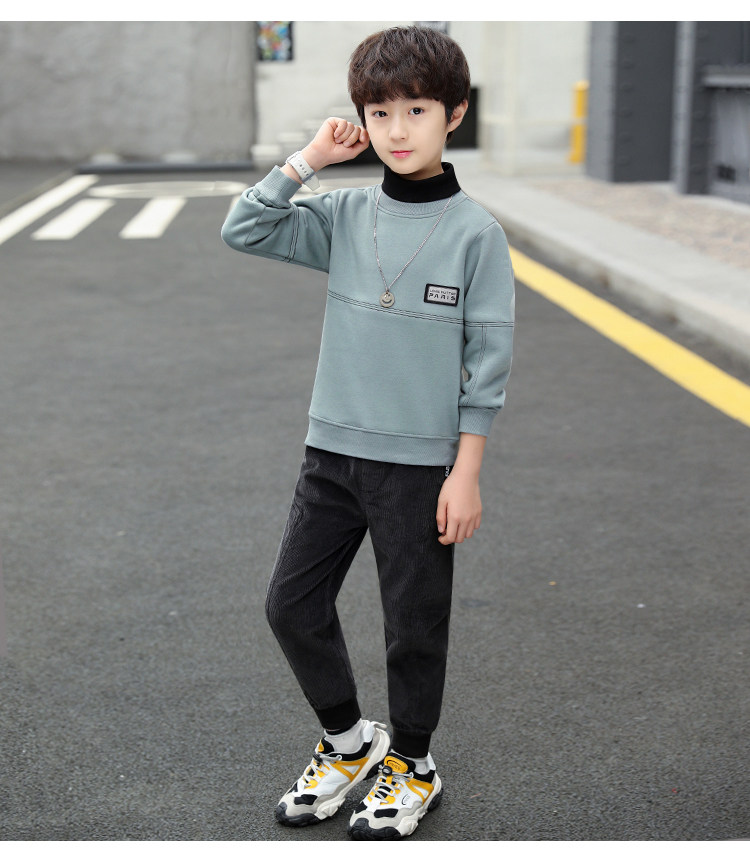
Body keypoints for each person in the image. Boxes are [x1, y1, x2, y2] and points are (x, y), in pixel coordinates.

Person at [221, 25, 514, 840]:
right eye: (379, 112)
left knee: (413, 623)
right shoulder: (346, 214)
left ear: (455, 113)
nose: (396, 129)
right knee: (290, 604)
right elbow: (244, 228)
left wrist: (466, 471)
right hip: (331, 456)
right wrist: (308, 160)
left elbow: (487, 364)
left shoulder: (477, 235)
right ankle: (350, 740)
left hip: (419, 469)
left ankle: (413, 762)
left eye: (416, 109)